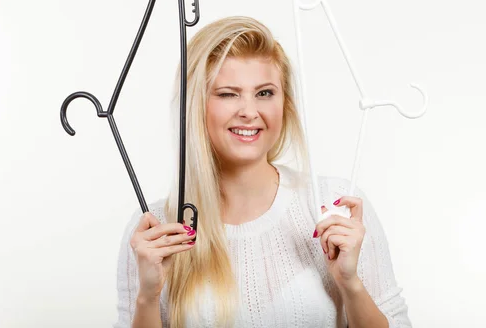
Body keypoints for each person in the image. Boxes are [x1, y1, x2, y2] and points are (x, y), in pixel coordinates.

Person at [113, 16, 412, 328]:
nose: (249, 111)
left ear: (285, 103)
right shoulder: (155, 229)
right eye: (228, 93)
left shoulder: (335, 205)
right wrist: (148, 295)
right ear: (195, 105)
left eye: (265, 93)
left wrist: (350, 284)